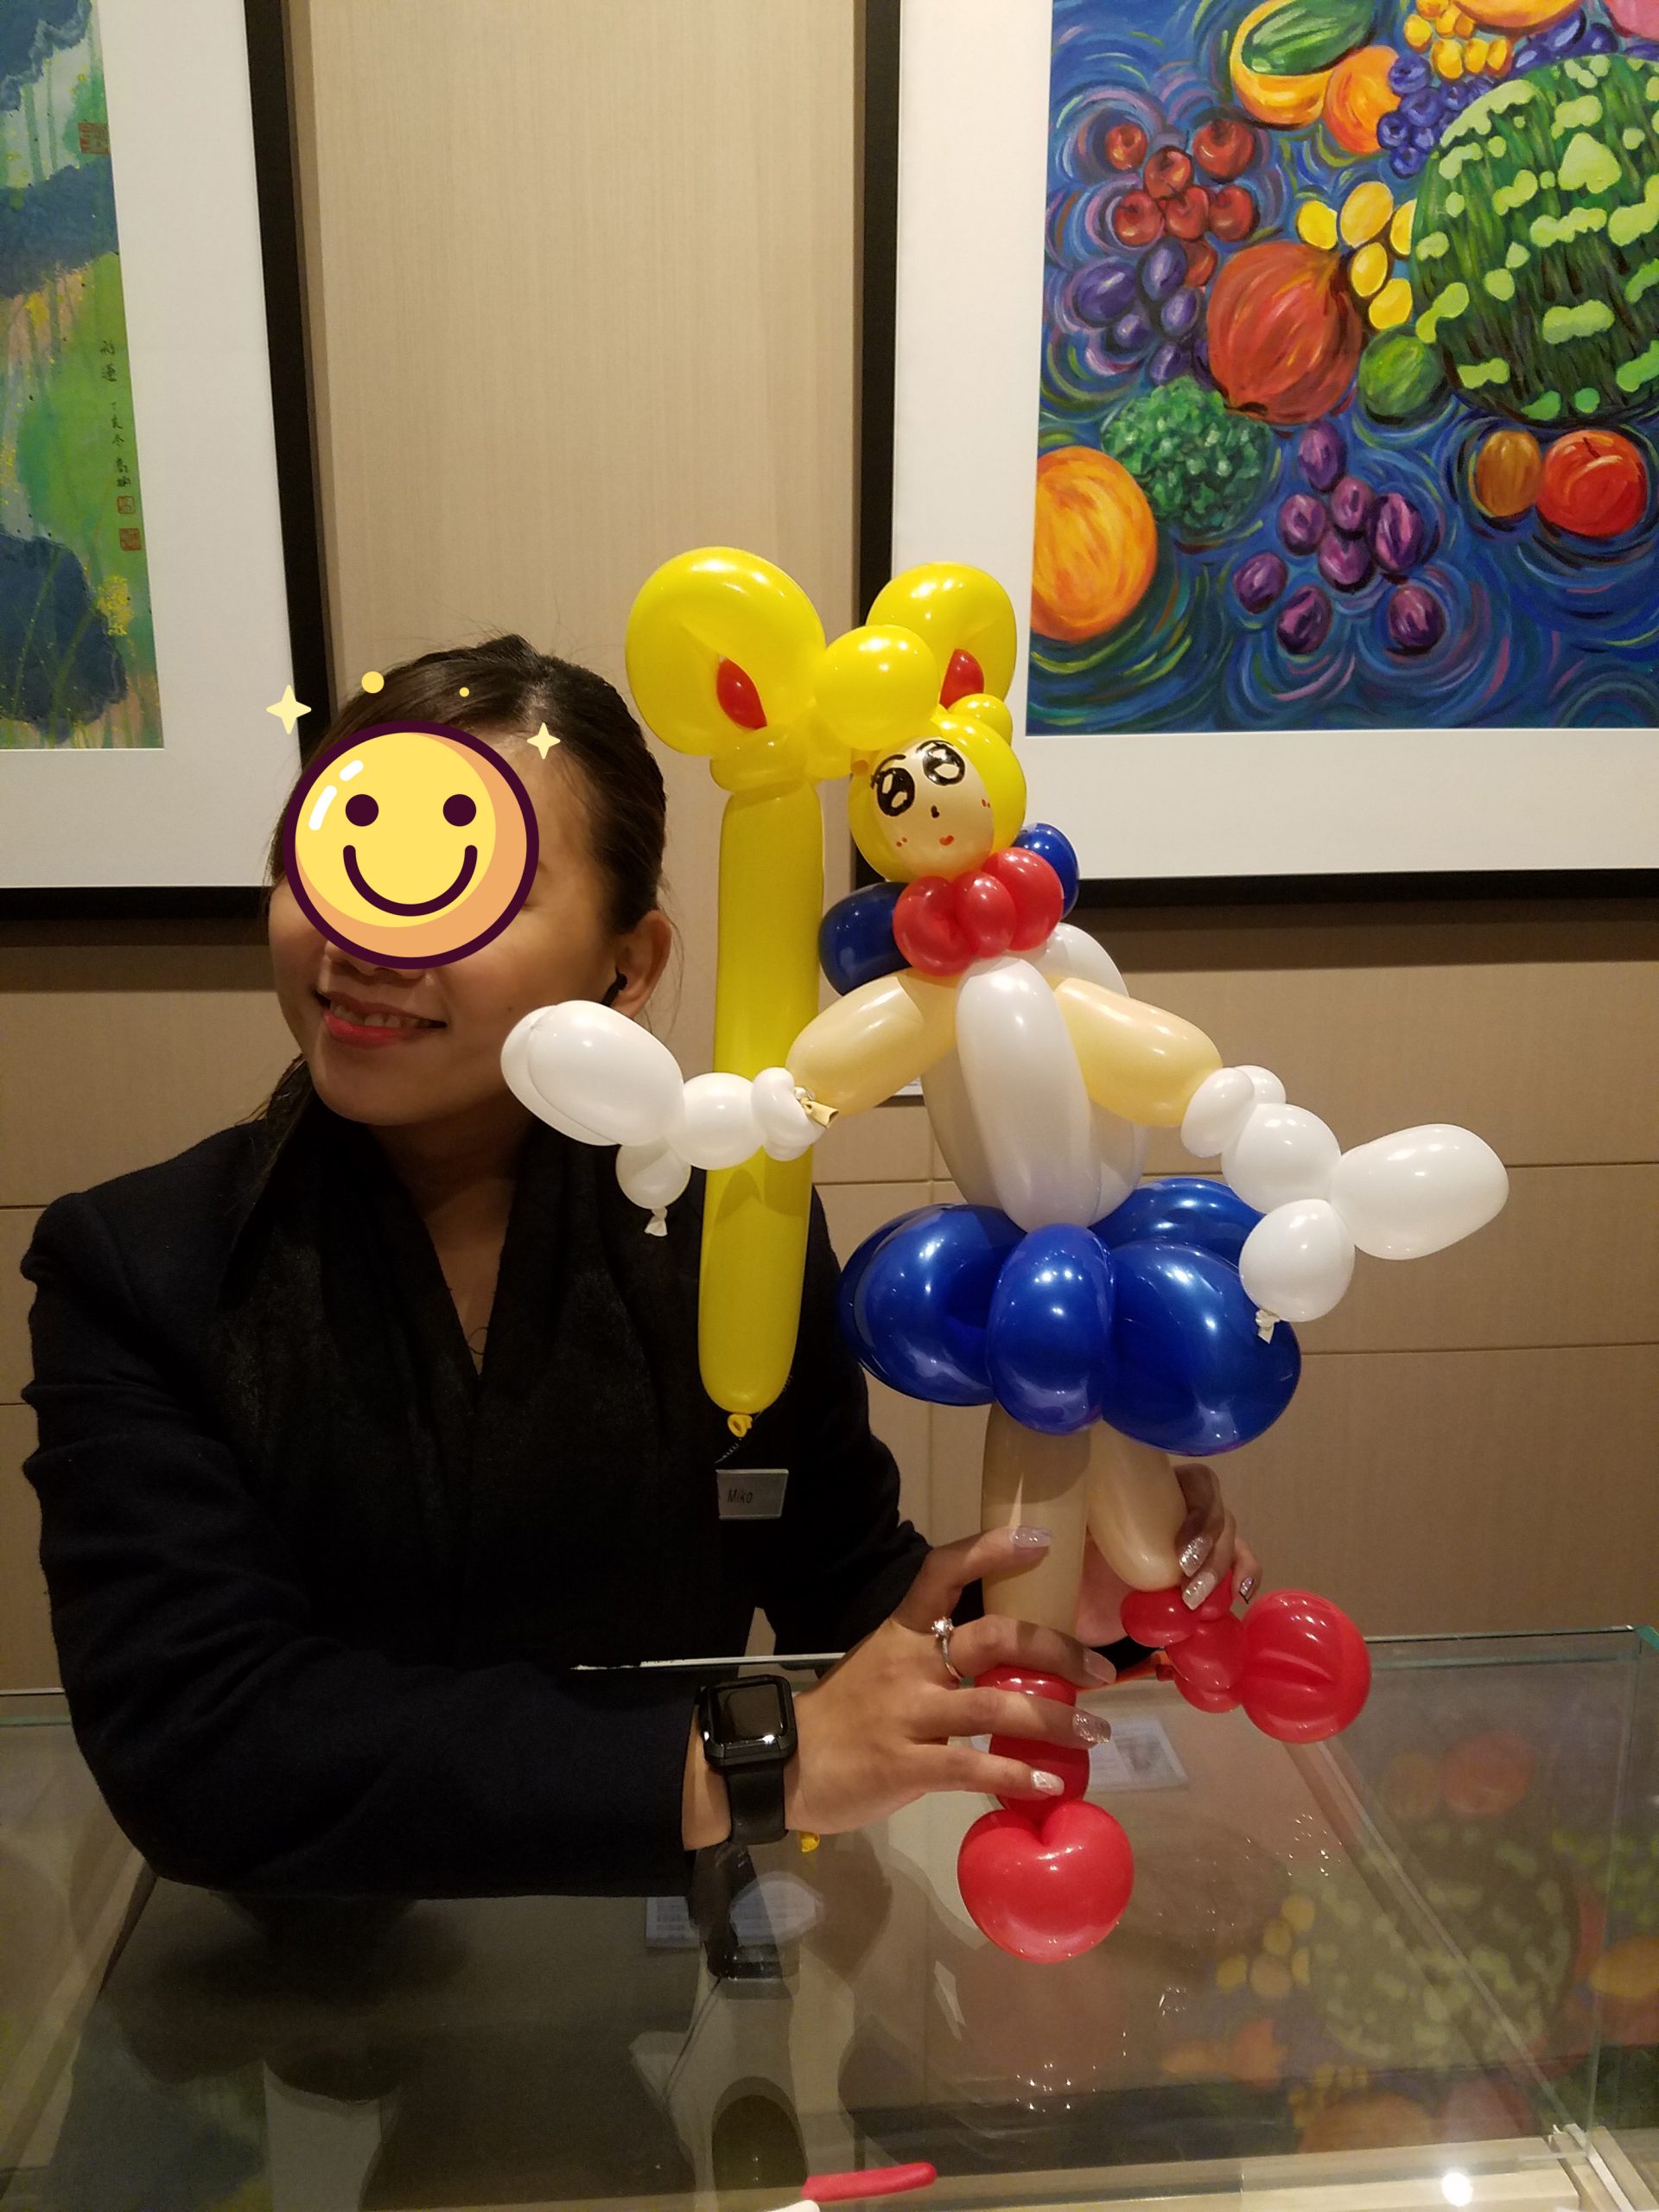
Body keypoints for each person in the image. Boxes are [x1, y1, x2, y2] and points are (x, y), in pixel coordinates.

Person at [19, 637, 1258, 1901]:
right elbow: (201, 1743)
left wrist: (1068, 1603)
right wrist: (750, 1767)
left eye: (463, 876)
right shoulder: (136, 1268)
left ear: (633, 961)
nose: (366, 940)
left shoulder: (738, 1222)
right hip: (306, 1976)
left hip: (657, 1957)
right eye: (339, 853)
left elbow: (837, 1576)